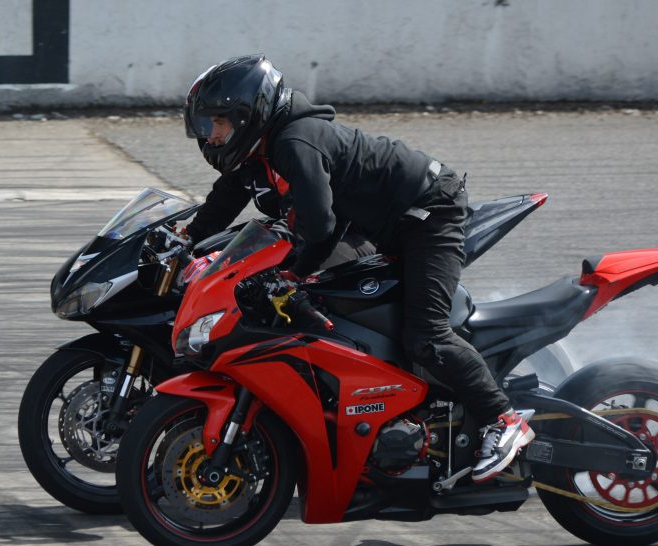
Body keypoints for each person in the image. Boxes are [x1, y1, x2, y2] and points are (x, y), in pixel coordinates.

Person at [183, 54, 533, 482]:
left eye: (217, 124)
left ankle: (504, 420)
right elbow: (223, 201)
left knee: (426, 334)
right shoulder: (260, 152)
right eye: (205, 127)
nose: (211, 136)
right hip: (379, 225)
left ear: (248, 114)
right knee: (326, 301)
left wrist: (291, 275)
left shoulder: (295, 143)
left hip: (427, 215)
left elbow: (318, 226)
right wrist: (186, 242)